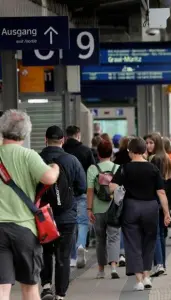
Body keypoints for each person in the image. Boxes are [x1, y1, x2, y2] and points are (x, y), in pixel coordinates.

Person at [0, 110, 59, 300]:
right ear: (26, 133)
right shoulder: (28, 155)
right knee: (30, 285)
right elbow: (49, 178)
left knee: (2, 287)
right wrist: (55, 168)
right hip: (25, 228)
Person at [109, 137, 171, 291]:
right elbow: (161, 192)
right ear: (144, 151)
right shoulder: (153, 168)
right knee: (149, 241)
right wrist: (166, 213)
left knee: (132, 243)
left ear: (130, 152)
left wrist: (118, 192)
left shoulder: (124, 168)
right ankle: (147, 276)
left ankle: (138, 281)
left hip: (131, 207)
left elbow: (112, 186)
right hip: (151, 208)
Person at [39, 126, 87, 300]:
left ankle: (45, 286)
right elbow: (82, 187)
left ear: (45, 139)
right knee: (63, 255)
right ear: (63, 140)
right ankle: (60, 294)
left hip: (43, 216)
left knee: (45, 251)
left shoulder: (37, 159)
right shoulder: (72, 160)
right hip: (66, 215)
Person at [87, 139, 120, 279]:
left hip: (98, 208)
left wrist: (89, 209)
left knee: (100, 240)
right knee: (114, 237)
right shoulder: (118, 168)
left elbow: (89, 191)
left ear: (98, 154)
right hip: (114, 208)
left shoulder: (92, 169)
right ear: (111, 153)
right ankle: (113, 267)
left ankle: (101, 270)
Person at [63, 125, 95, 268]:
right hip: (82, 191)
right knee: (82, 222)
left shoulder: (62, 150)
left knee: (69, 224)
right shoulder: (86, 151)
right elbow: (93, 170)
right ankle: (80, 245)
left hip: (64, 193)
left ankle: (72, 257)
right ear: (78, 135)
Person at [146, 132, 171, 276]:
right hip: (165, 198)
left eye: (151, 143)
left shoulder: (153, 159)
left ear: (157, 144)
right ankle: (162, 262)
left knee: (155, 233)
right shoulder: (166, 158)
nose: (148, 145)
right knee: (161, 233)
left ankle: (159, 264)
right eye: (147, 143)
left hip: (156, 197)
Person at [113, 136, 132, 267]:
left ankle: (121, 253)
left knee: (121, 226)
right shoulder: (135, 159)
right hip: (133, 195)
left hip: (121, 194)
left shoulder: (118, 157)